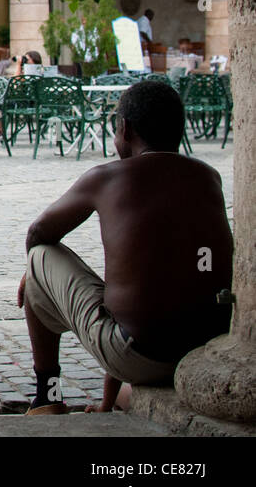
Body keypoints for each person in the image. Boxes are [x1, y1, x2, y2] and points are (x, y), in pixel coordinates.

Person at [18, 81, 233, 415]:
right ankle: (114, 400)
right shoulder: (209, 177)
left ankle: (48, 395)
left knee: (40, 257)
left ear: (124, 128)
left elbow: (38, 232)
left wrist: (31, 274)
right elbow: (149, 293)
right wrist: (105, 403)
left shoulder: (107, 178)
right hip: (202, 350)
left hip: (136, 355)